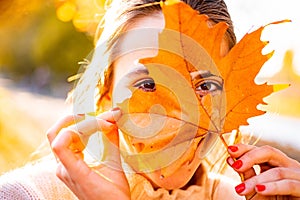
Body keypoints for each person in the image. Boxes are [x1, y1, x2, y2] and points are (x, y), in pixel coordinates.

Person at [1, 0, 300, 199]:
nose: (184, 116)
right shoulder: (24, 194)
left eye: (205, 86)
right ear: (105, 96)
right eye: (148, 84)